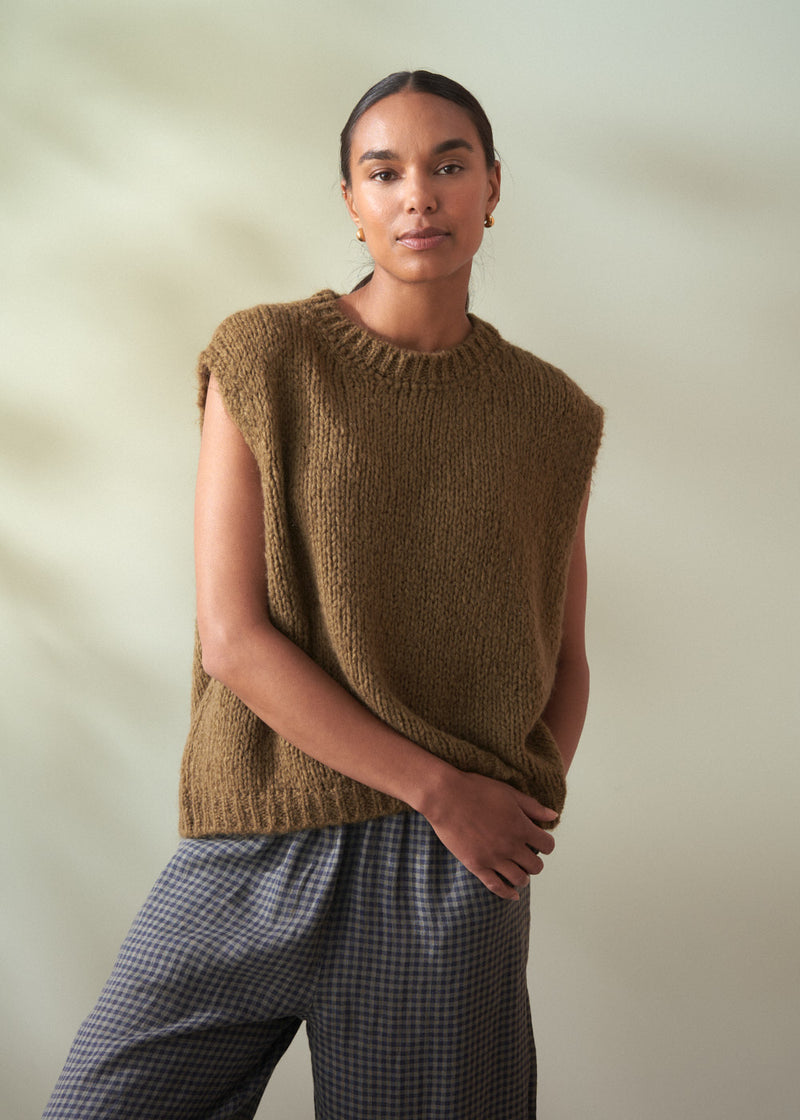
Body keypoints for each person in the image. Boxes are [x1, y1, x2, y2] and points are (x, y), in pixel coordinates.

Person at [43, 70, 603, 1120]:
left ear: (491, 188)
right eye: (382, 171)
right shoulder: (266, 355)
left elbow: (564, 654)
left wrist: (518, 809)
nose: (417, 196)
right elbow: (232, 637)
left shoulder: (551, 415)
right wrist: (439, 787)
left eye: (447, 165)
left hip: (450, 869)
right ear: (348, 200)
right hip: (263, 827)